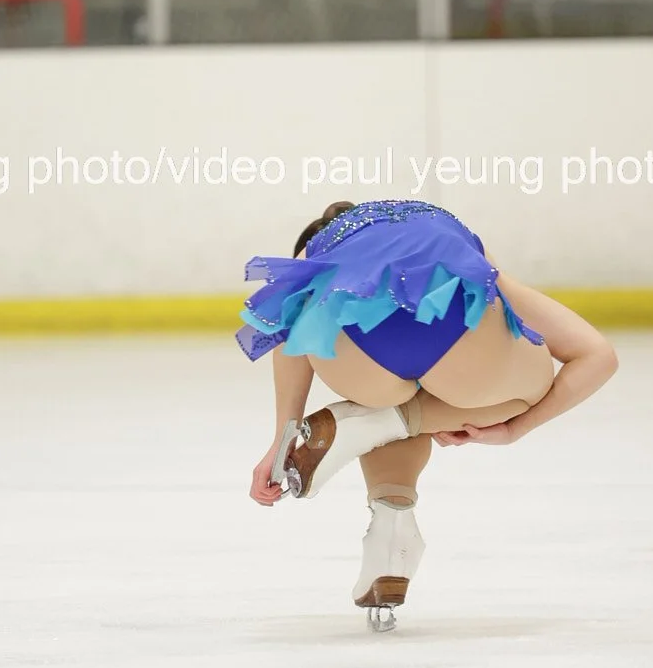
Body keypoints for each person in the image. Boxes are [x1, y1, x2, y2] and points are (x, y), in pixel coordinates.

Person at [239, 198, 618, 629]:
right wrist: (516, 428)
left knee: (378, 389)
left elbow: (286, 326)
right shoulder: (438, 229)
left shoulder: (318, 251)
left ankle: (390, 526)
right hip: (460, 338)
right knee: (530, 390)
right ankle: (380, 428)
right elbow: (597, 356)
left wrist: (283, 440)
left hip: (360, 358)